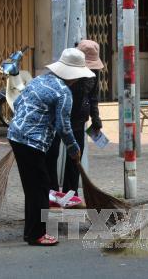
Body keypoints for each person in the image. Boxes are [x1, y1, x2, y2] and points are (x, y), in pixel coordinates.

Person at [8, 48, 94, 246]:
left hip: (16, 135)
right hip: (33, 142)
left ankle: (30, 232)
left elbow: (19, 101)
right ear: (74, 76)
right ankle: (38, 234)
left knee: (32, 188)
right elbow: (63, 126)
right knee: (39, 188)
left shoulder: (39, 80)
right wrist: (74, 148)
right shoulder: (64, 93)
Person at [47, 40, 104, 195]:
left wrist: (95, 118)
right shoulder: (64, 71)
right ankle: (52, 192)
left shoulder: (94, 74)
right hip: (57, 119)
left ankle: (70, 193)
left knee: (75, 157)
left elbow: (93, 96)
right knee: (51, 153)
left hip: (78, 119)